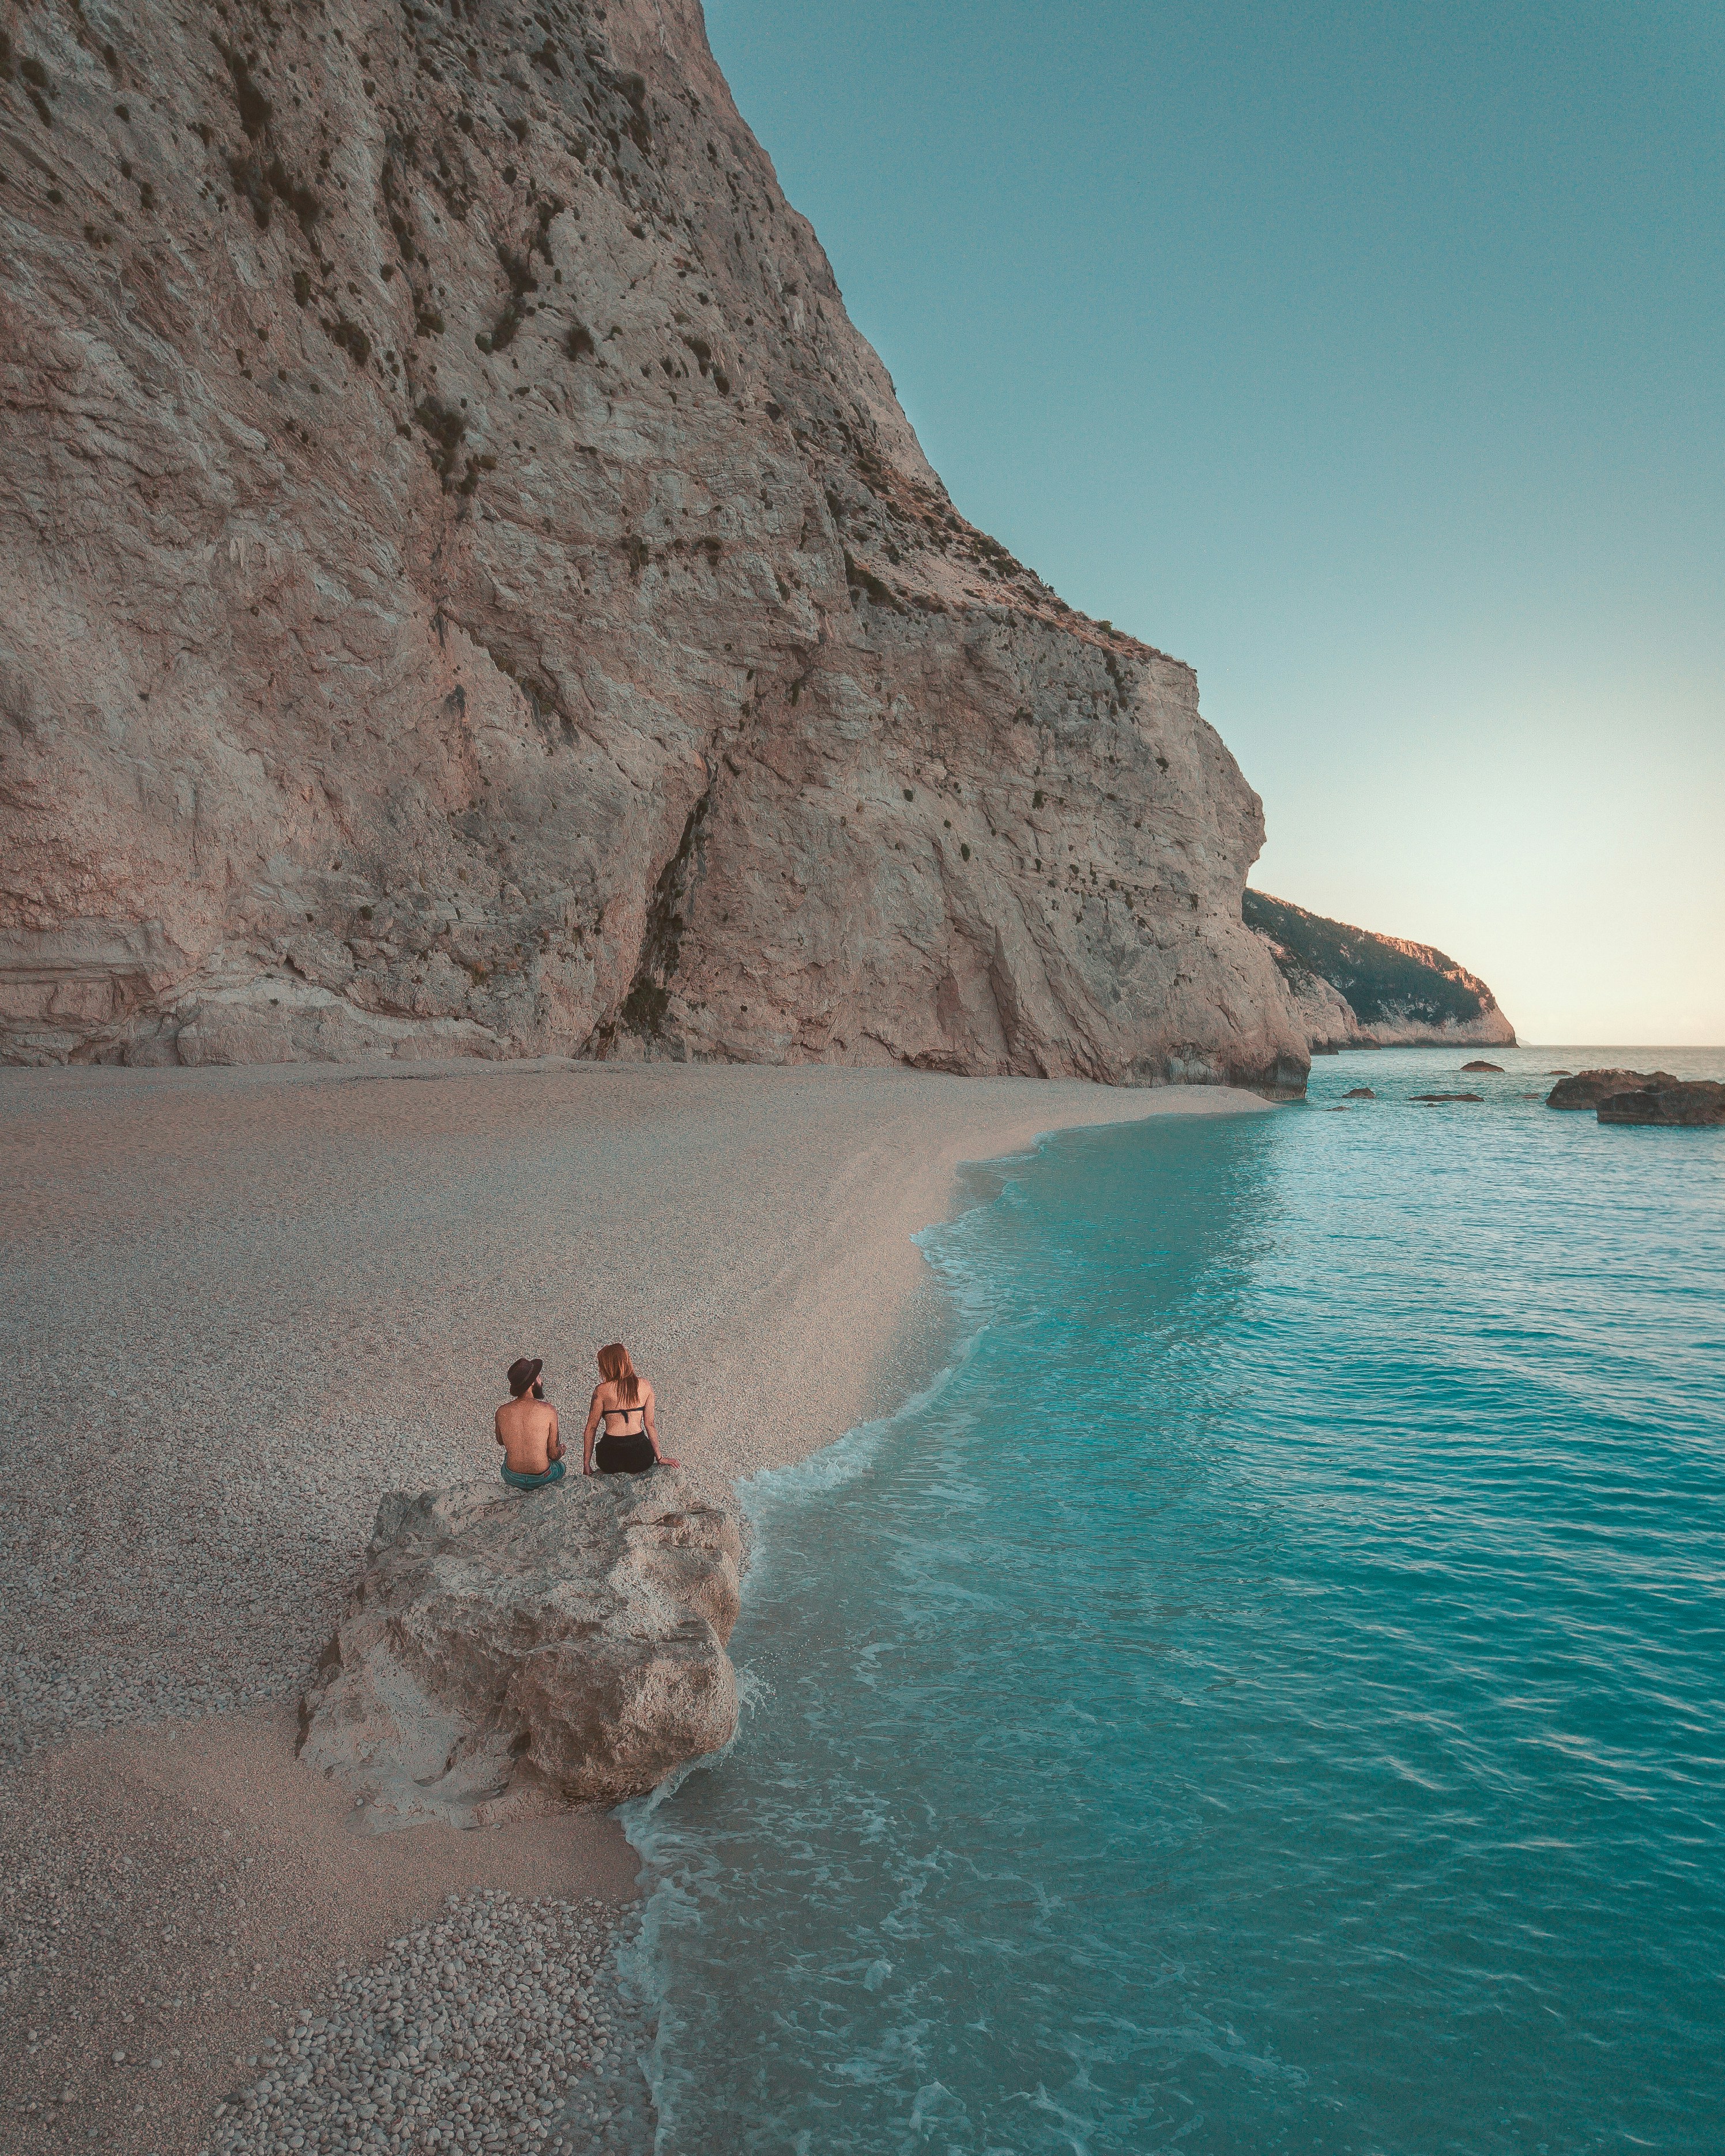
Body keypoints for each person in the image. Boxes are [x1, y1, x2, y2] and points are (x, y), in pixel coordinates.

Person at [583, 1342, 679, 1475]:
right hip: (640, 1457)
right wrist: (660, 1457)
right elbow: (650, 1424)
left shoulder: (602, 1390)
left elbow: (591, 1428)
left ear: (607, 1366)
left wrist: (586, 1464)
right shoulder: (645, 1385)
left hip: (610, 1458)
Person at [495, 1356, 566, 1489]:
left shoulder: (501, 1411)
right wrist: (561, 1450)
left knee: (508, 1456)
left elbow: (501, 1441)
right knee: (561, 1467)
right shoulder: (548, 1410)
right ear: (533, 1382)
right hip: (541, 1478)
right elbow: (553, 1455)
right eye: (539, 1377)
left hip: (512, 1477)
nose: (542, 1380)